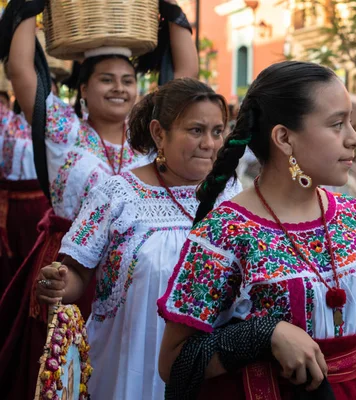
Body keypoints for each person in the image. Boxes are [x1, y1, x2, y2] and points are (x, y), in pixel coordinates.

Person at [155, 60, 356, 399]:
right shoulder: (224, 232)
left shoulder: (353, 216)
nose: (354, 139)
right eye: (337, 124)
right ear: (284, 138)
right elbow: (174, 364)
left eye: (350, 123)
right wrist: (262, 334)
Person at [0, 1, 198, 398]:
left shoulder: (152, 140)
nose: (120, 88)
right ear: (83, 89)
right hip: (71, 273)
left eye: (128, 79)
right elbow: (22, 71)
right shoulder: (63, 130)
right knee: (62, 374)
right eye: (107, 79)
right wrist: (26, 9)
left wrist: (174, 16)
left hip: (137, 273)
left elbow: (186, 80)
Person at [35, 78, 242, 400]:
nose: (211, 144)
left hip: (204, 360)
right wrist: (60, 283)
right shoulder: (117, 194)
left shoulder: (230, 193)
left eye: (218, 131)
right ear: (160, 133)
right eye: (196, 130)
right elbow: (78, 271)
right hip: (128, 361)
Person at [0, 90, 50, 291]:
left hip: (39, 203)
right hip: (8, 201)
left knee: (37, 257)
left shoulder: (53, 127)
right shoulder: (7, 123)